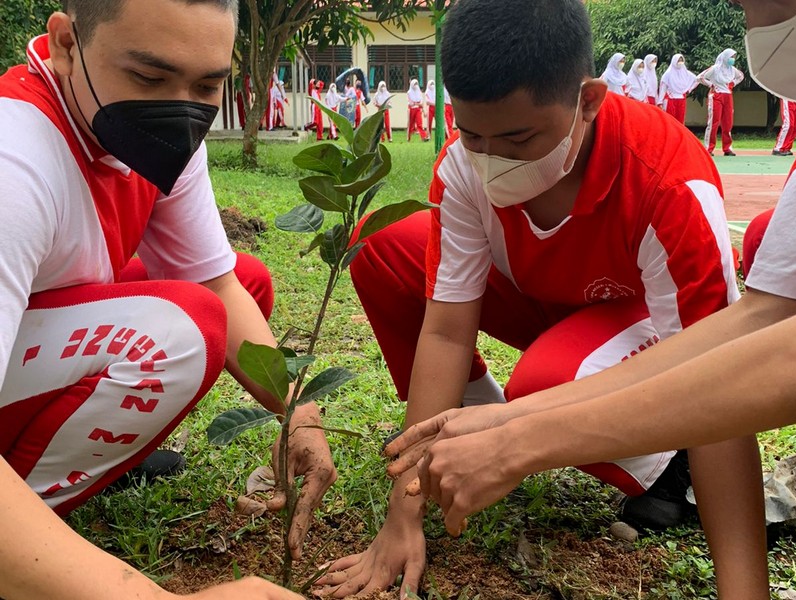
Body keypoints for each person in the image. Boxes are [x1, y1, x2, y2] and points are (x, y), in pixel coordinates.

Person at [313, 0, 742, 597]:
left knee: (543, 386)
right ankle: (468, 430)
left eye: (519, 137)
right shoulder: (463, 167)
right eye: (472, 134)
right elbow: (445, 331)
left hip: (641, 324)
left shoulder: (668, 183)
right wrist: (403, 514)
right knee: (383, 246)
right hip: (542, 300)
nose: (493, 161)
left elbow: (720, 379)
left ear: (588, 101)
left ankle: (671, 472)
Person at [0, 1, 336, 598]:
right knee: (183, 328)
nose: (180, 109)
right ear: (67, 45)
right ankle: (28, 527)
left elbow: (216, 281)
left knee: (244, 282)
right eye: (148, 77)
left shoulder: (151, 134)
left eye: (206, 86)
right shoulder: (15, 163)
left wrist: (298, 417)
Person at [699, 49, 744, 156]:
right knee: (713, 122)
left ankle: (727, 148)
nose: (733, 59)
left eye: (734, 57)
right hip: (716, 95)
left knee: (728, 123)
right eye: (731, 57)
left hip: (728, 95)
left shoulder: (732, 70)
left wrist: (733, 83)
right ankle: (708, 148)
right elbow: (700, 77)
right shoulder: (715, 68)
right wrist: (711, 84)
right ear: (725, 57)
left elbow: (741, 76)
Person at [658, 54, 699, 125]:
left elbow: (697, 80)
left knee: (680, 121)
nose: (680, 62)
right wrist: (660, 101)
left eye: (681, 60)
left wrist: (689, 89)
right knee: (670, 120)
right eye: (678, 60)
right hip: (671, 99)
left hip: (681, 99)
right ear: (674, 61)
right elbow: (663, 88)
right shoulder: (668, 74)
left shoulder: (686, 73)